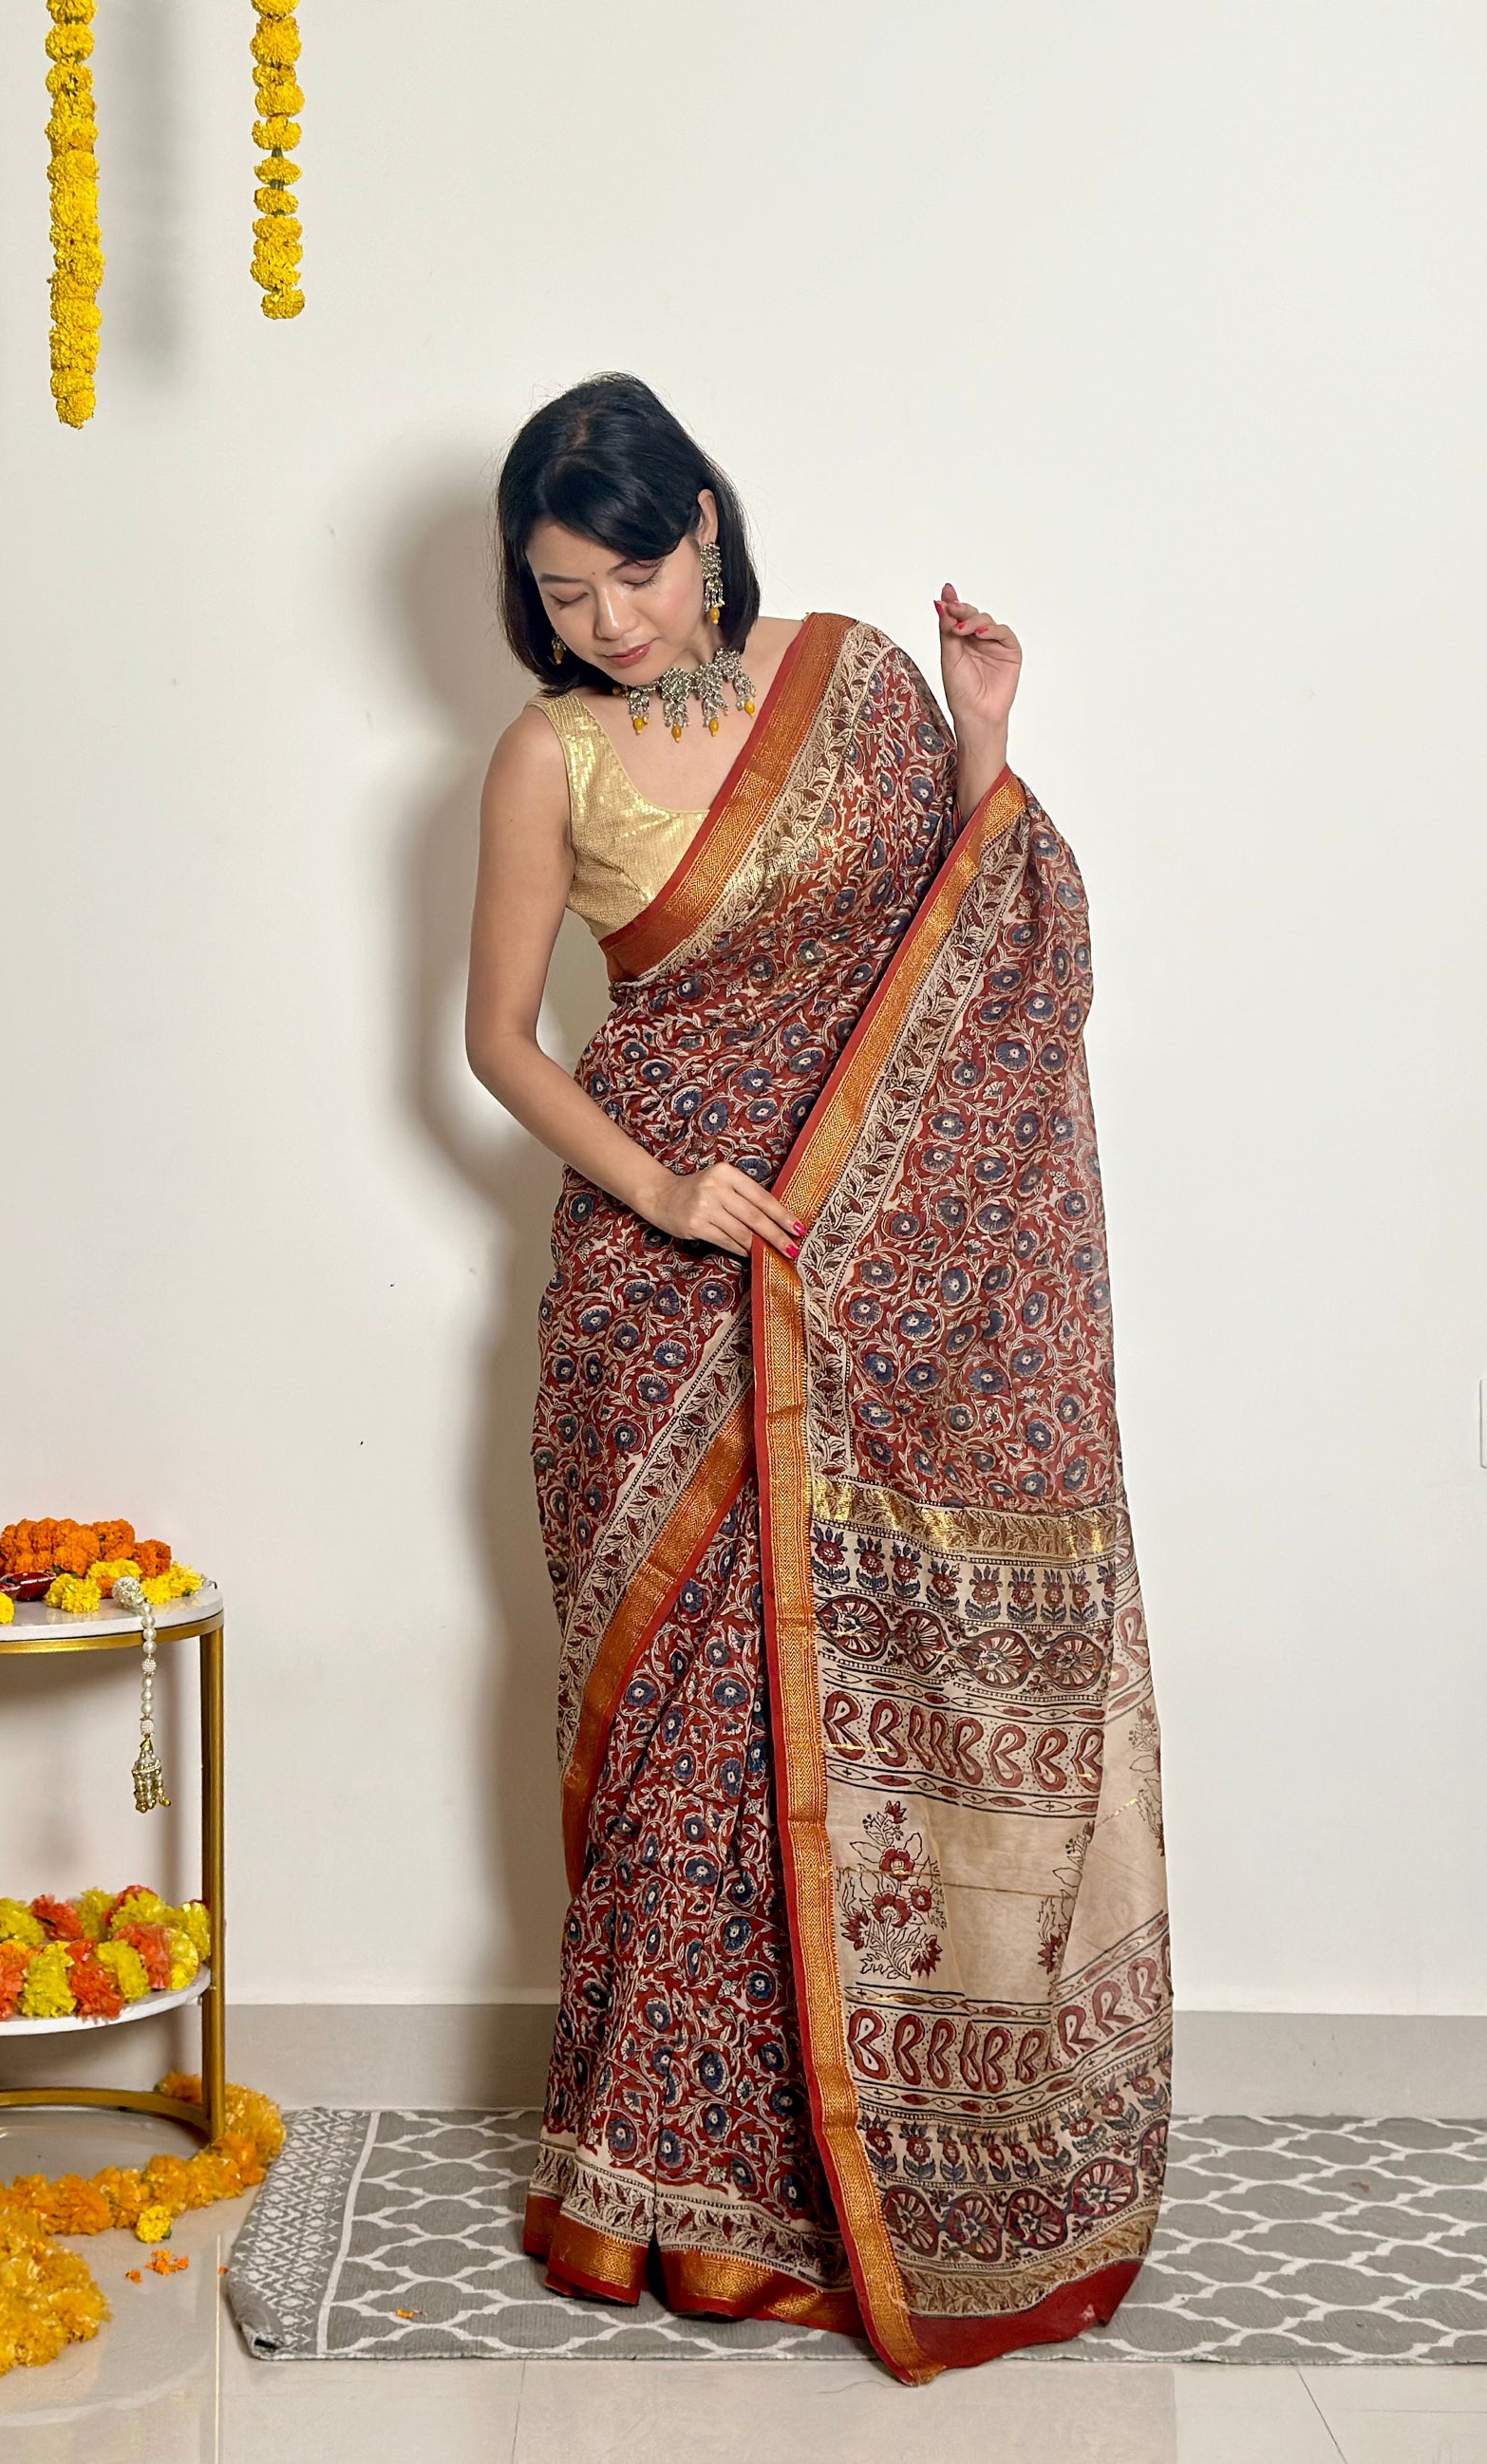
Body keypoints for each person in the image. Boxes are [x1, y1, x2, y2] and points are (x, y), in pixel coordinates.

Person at [465, 372, 1169, 2380]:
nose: (609, 622)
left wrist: (981, 740)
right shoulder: (545, 755)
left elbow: (973, 949)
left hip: (868, 1285)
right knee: (691, 1744)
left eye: (631, 574)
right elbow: (499, 1040)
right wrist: (663, 1187)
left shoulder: (853, 678)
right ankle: (662, 2191)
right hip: (657, 1289)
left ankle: (857, 2172)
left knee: (843, 1708)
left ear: (702, 522)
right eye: (563, 593)